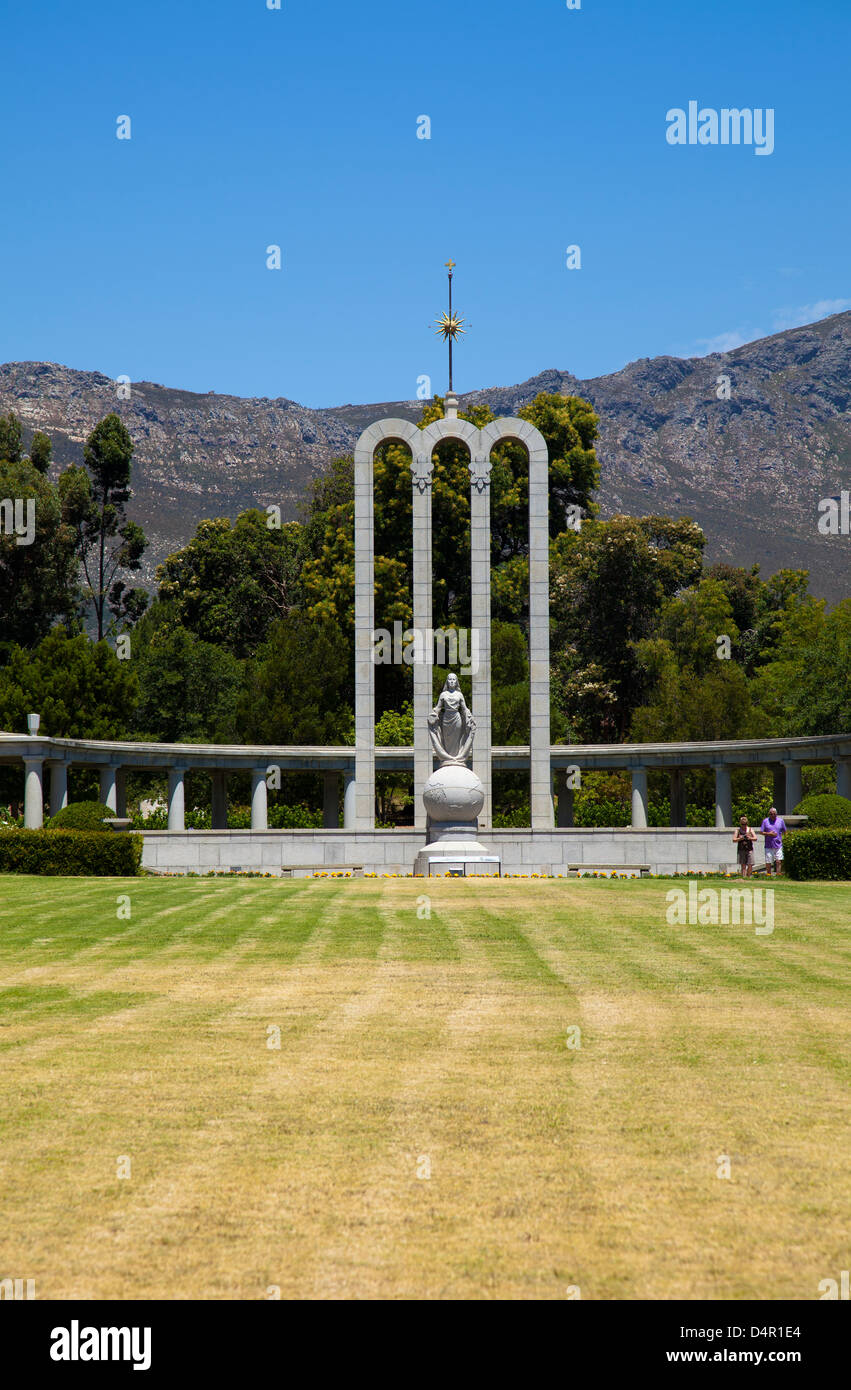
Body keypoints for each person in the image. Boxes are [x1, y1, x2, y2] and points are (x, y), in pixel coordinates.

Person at [757, 805, 787, 876]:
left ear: (776, 814)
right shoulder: (765, 821)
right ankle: (768, 875)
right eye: (771, 814)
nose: (772, 815)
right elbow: (761, 832)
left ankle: (778, 874)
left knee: (779, 860)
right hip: (768, 845)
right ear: (769, 814)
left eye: (774, 814)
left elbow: (785, 831)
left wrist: (785, 838)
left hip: (778, 844)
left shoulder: (781, 821)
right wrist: (769, 833)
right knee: (768, 861)